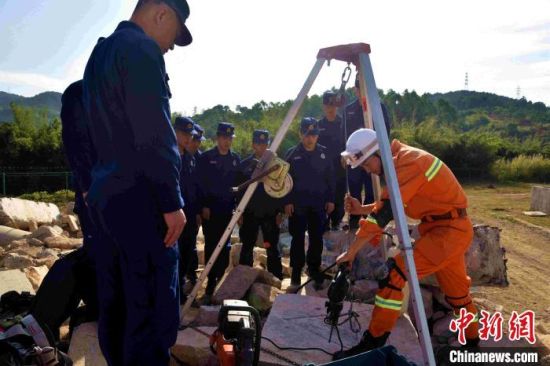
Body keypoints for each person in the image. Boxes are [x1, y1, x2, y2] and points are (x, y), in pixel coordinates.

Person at [81, 0, 192, 364]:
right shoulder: (141, 48)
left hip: (107, 200)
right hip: (142, 202)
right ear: (162, 13)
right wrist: (171, 202)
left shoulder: (99, 54)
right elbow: (154, 134)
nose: (170, 47)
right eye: (173, 36)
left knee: (117, 309)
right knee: (152, 317)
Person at [333, 128, 478, 360]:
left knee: (396, 274)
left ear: (377, 153)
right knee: (458, 294)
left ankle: (372, 344)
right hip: (445, 230)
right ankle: (472, 347)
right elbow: (393, 202)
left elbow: (385, 213)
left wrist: (350, 253)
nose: (366, 170)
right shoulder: (400, 163)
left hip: (448, 233)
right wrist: (361, 209)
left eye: (365, 164)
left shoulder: (410, 163)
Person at [58, 79, 99, 322]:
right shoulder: (80, 92)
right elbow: (74, 141)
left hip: (117, 193)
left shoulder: (115, 91)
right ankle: (94, 309)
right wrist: (86, 187)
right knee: (96, 252)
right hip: (93, 193)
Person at [284, 117, 335, 289]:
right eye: (306, 134)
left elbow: (331, 179)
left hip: (318, 204)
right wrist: (288, 201)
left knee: (316, 239)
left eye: (313, 134)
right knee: (297, 239)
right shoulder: (291, 154)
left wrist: (331, 199)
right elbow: (284, 180)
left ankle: (313, 270)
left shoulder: (324, 153)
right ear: (300, 134)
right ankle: (296, 274)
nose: (310, 138)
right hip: (297, 205)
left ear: (317, 135)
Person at [197, 122, 241, 303]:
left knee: (225, 247)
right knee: (211, 244)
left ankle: (219, 279)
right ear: (217, 138)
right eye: (224, 137)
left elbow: (239, 185)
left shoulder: (235, 159)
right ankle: (209, 284)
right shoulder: (206, 158)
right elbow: (200, 183)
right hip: (211, 210)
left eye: (230, 138)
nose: (227, 141)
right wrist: (204, 205)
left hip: (227, 210)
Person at [344, 75, 392, 229]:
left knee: (371, 192)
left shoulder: (378, 107)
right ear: (355, 90)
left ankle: (369, 223)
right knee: (354, 191)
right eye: (359, 89)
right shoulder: (348, 110)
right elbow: (343, 135)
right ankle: (353, 224)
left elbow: (385, 131)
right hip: (354, 159)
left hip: (371, 158)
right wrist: (344, 156)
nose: (362, 93)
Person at [237, 130, 283, 280]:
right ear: (253, 144)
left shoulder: (276, 165)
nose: (262, 147)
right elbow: (238, 190)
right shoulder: (244, 165)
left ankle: (275, 278)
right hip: (250, 212)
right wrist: (239, 212)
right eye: (258, 143)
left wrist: (280, 212)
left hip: (270, 213)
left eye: (265, 144)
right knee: (247, 245)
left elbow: (281, 189)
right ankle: (244, 277)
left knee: (272, 247)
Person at [174, 116, 201, 298]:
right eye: (184, 133)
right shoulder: (169, 156)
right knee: (173, 252)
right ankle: (174, 287)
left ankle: (181, 284)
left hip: (190, 213)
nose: (188, 138)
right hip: (174, 213)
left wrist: (198, 211)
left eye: (190, 135)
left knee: (187, 248)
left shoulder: (191, 158)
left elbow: (195, 187)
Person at [318, 91, 346, 231]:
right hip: (323, 170)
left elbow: (348, 143)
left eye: (333, 105)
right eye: (328, 105)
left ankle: (336, 224)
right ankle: (322, 228)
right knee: (323, 198)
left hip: (340, 168)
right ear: (323, 106)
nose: (331, 108)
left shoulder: (343, 123)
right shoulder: (318, 125)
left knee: (339, 199)